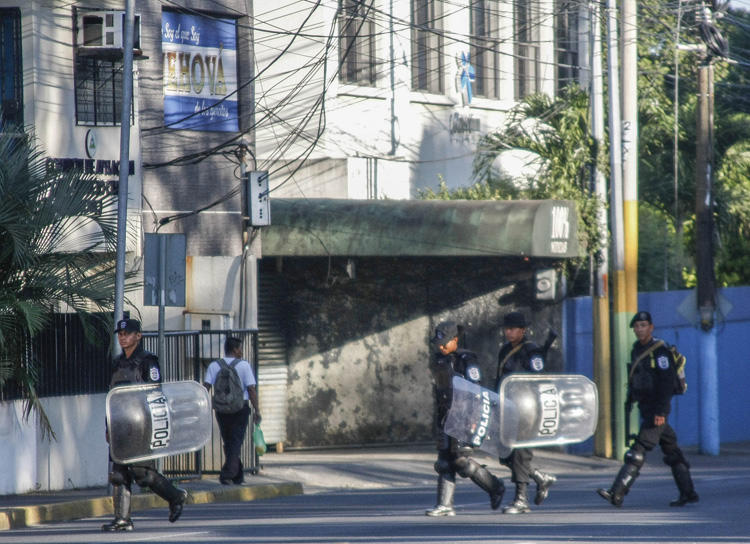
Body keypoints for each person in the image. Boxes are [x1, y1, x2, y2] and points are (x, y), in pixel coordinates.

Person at [597, 311, 699, 507]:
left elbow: (667, 383)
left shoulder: (660, 352)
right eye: (637, 326)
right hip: (646, 406)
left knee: (637, 450)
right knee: (671, 450)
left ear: (651, 328)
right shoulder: (636, 349)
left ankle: (616, 493)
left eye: (643, 325)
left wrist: (661, 412)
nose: (639, 329)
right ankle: (688, 492)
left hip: (656, 410)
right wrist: (631, 399)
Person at [102, 318, 188, 532]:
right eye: (120, 334)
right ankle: (123, 520)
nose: (123, 337)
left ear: (138, 336)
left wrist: (154, 425)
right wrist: (108, 425)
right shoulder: (117, 363)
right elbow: (111, 397)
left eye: (128, 333)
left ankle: (176, 496)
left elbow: (155, 394)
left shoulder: (148, 361)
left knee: (141, 473)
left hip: (141, 425)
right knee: (118, 473)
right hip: (121, 425)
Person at [425, 321, 505, 517]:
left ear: (455, 340)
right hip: (445, 416)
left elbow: (476, 392)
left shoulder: (466, 360)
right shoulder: (438, 359)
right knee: (444, 462)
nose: (441, 347)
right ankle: (445, 505)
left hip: (464, 416)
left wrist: (474, 419)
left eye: (445, 343)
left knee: (462, 462)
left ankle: (495, 487)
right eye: (439, 343)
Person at [495, 311, 557, 514]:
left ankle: (521, 500)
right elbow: (500, 380)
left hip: (527, 410)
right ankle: (540, 477)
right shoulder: (504, 350)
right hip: (508, 408)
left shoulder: (532, 351)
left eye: (513, 329)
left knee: (521, 454)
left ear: (523, 330)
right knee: (505, 455)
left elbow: (539, 380)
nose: (509, 332)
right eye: (507, 329)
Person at [203, 336, 261, 485]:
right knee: (235, 441)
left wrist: (202, 407)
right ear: (235, 350)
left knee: (229, 441)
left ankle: (238, 475)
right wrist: (257, 410)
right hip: (239, 408)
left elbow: (206, 388)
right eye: (240, 349)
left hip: (221, 410)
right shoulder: (244, 366)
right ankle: (227, 475)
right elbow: (251, 389)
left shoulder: (214, 365)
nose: (241, 352)